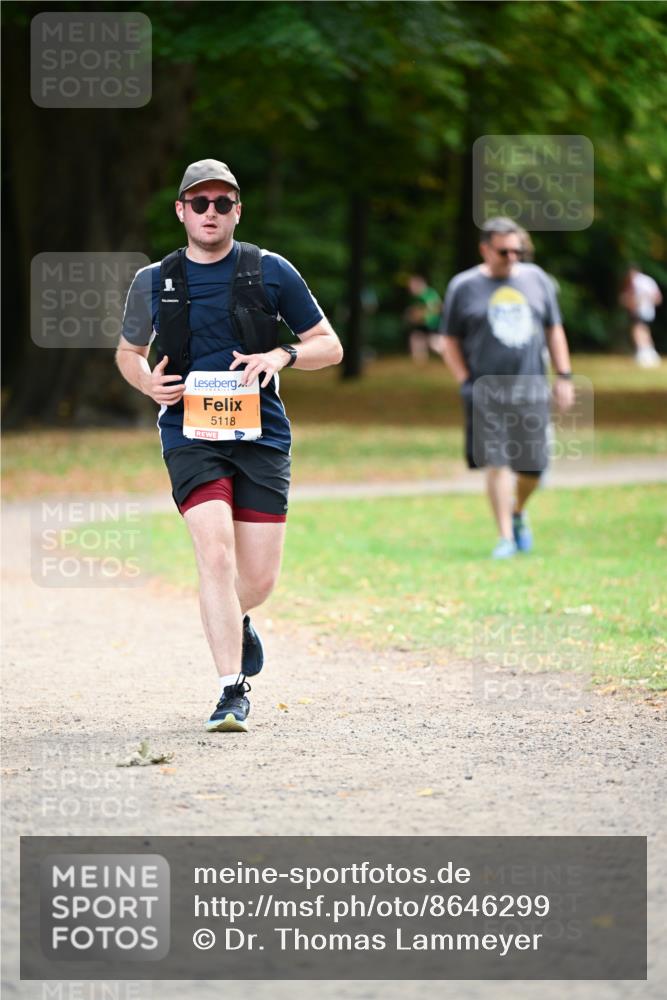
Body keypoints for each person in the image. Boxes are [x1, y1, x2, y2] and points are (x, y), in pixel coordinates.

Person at [116, 158, 343, 732]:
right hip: (189, 434)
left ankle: (235, 617)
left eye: (222, 203)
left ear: (237, 211)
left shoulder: (271, 271)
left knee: (258, 580)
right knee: (215, 554)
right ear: (181, 211)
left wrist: (282, 355)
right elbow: (128, 353)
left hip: (261, 435)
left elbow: (329, 345)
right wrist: (145, 382)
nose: (210, 212)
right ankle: (230, 690)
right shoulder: (153, 280)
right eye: (200, 203)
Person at [439, 217, 575, 558]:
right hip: (485, 390)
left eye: (518, 251)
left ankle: (517, 512)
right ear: (485, 250)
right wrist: (464, 380)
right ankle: (505, 538)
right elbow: (448, 339)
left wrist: (564, 376)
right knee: (496, 462)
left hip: (532, 388)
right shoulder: (464, 286)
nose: (512, 257)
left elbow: (554, 329)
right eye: (504, 251)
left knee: (534, 467)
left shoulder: (537, 279)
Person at [619, 266, 662, 367]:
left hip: (640, 310)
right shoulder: (649, 280)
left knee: (637, 331)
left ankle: (642, 353)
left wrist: (631, 302)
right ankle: (651, 354)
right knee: (644, 331)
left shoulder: (637, 281)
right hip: (649, 311)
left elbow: (632, 297)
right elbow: (658, 298)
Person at [405, 274, 443, 362]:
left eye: (413, 286)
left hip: (432, 324)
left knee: (435, 344)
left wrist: (421, 314)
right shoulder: (417, 297)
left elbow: (437, 307)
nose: (411, 289)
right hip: (423, 324)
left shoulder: (429, 294)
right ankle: (420, 362)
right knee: (416, 339)